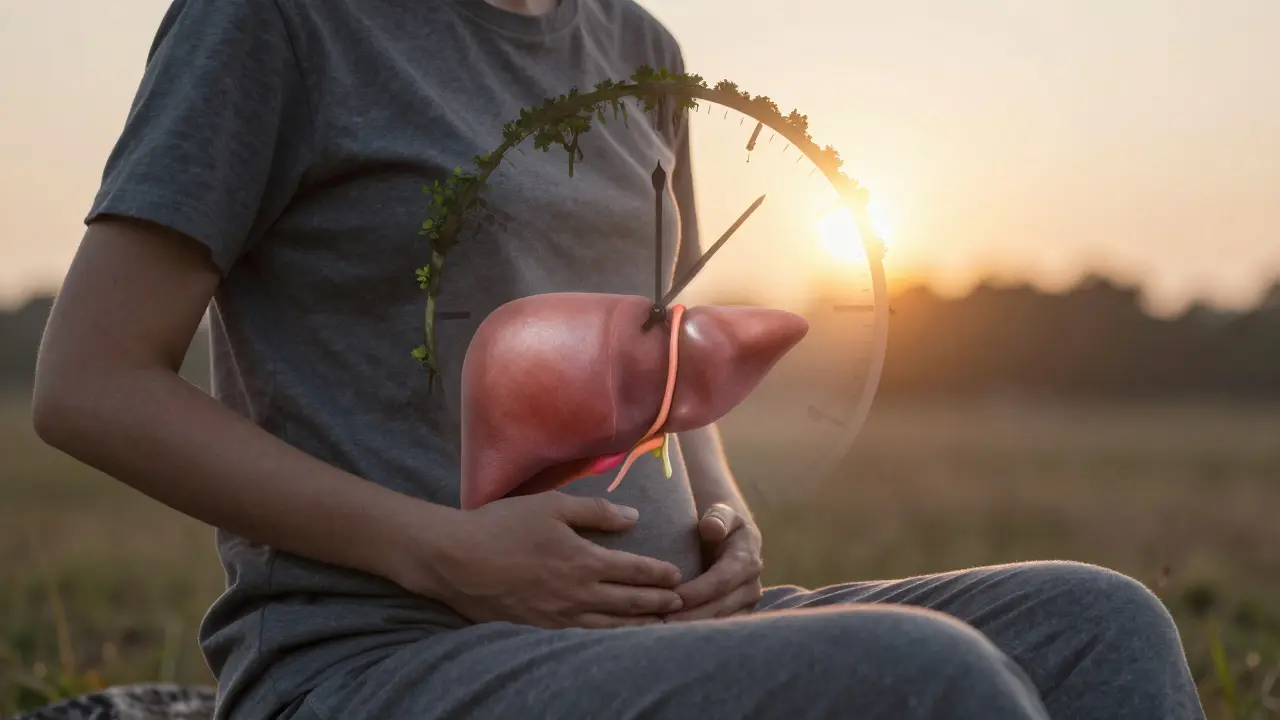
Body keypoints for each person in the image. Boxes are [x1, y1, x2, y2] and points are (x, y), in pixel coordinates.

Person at [32, 0, 1205, 718]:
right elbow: (90, 381)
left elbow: (664, 358)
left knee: (1098, 625)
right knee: (923, 680)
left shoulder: (638, 46)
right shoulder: (276, 20)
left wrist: (723, 515)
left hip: (650, 641)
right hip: (380, 663)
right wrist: (445, 553)